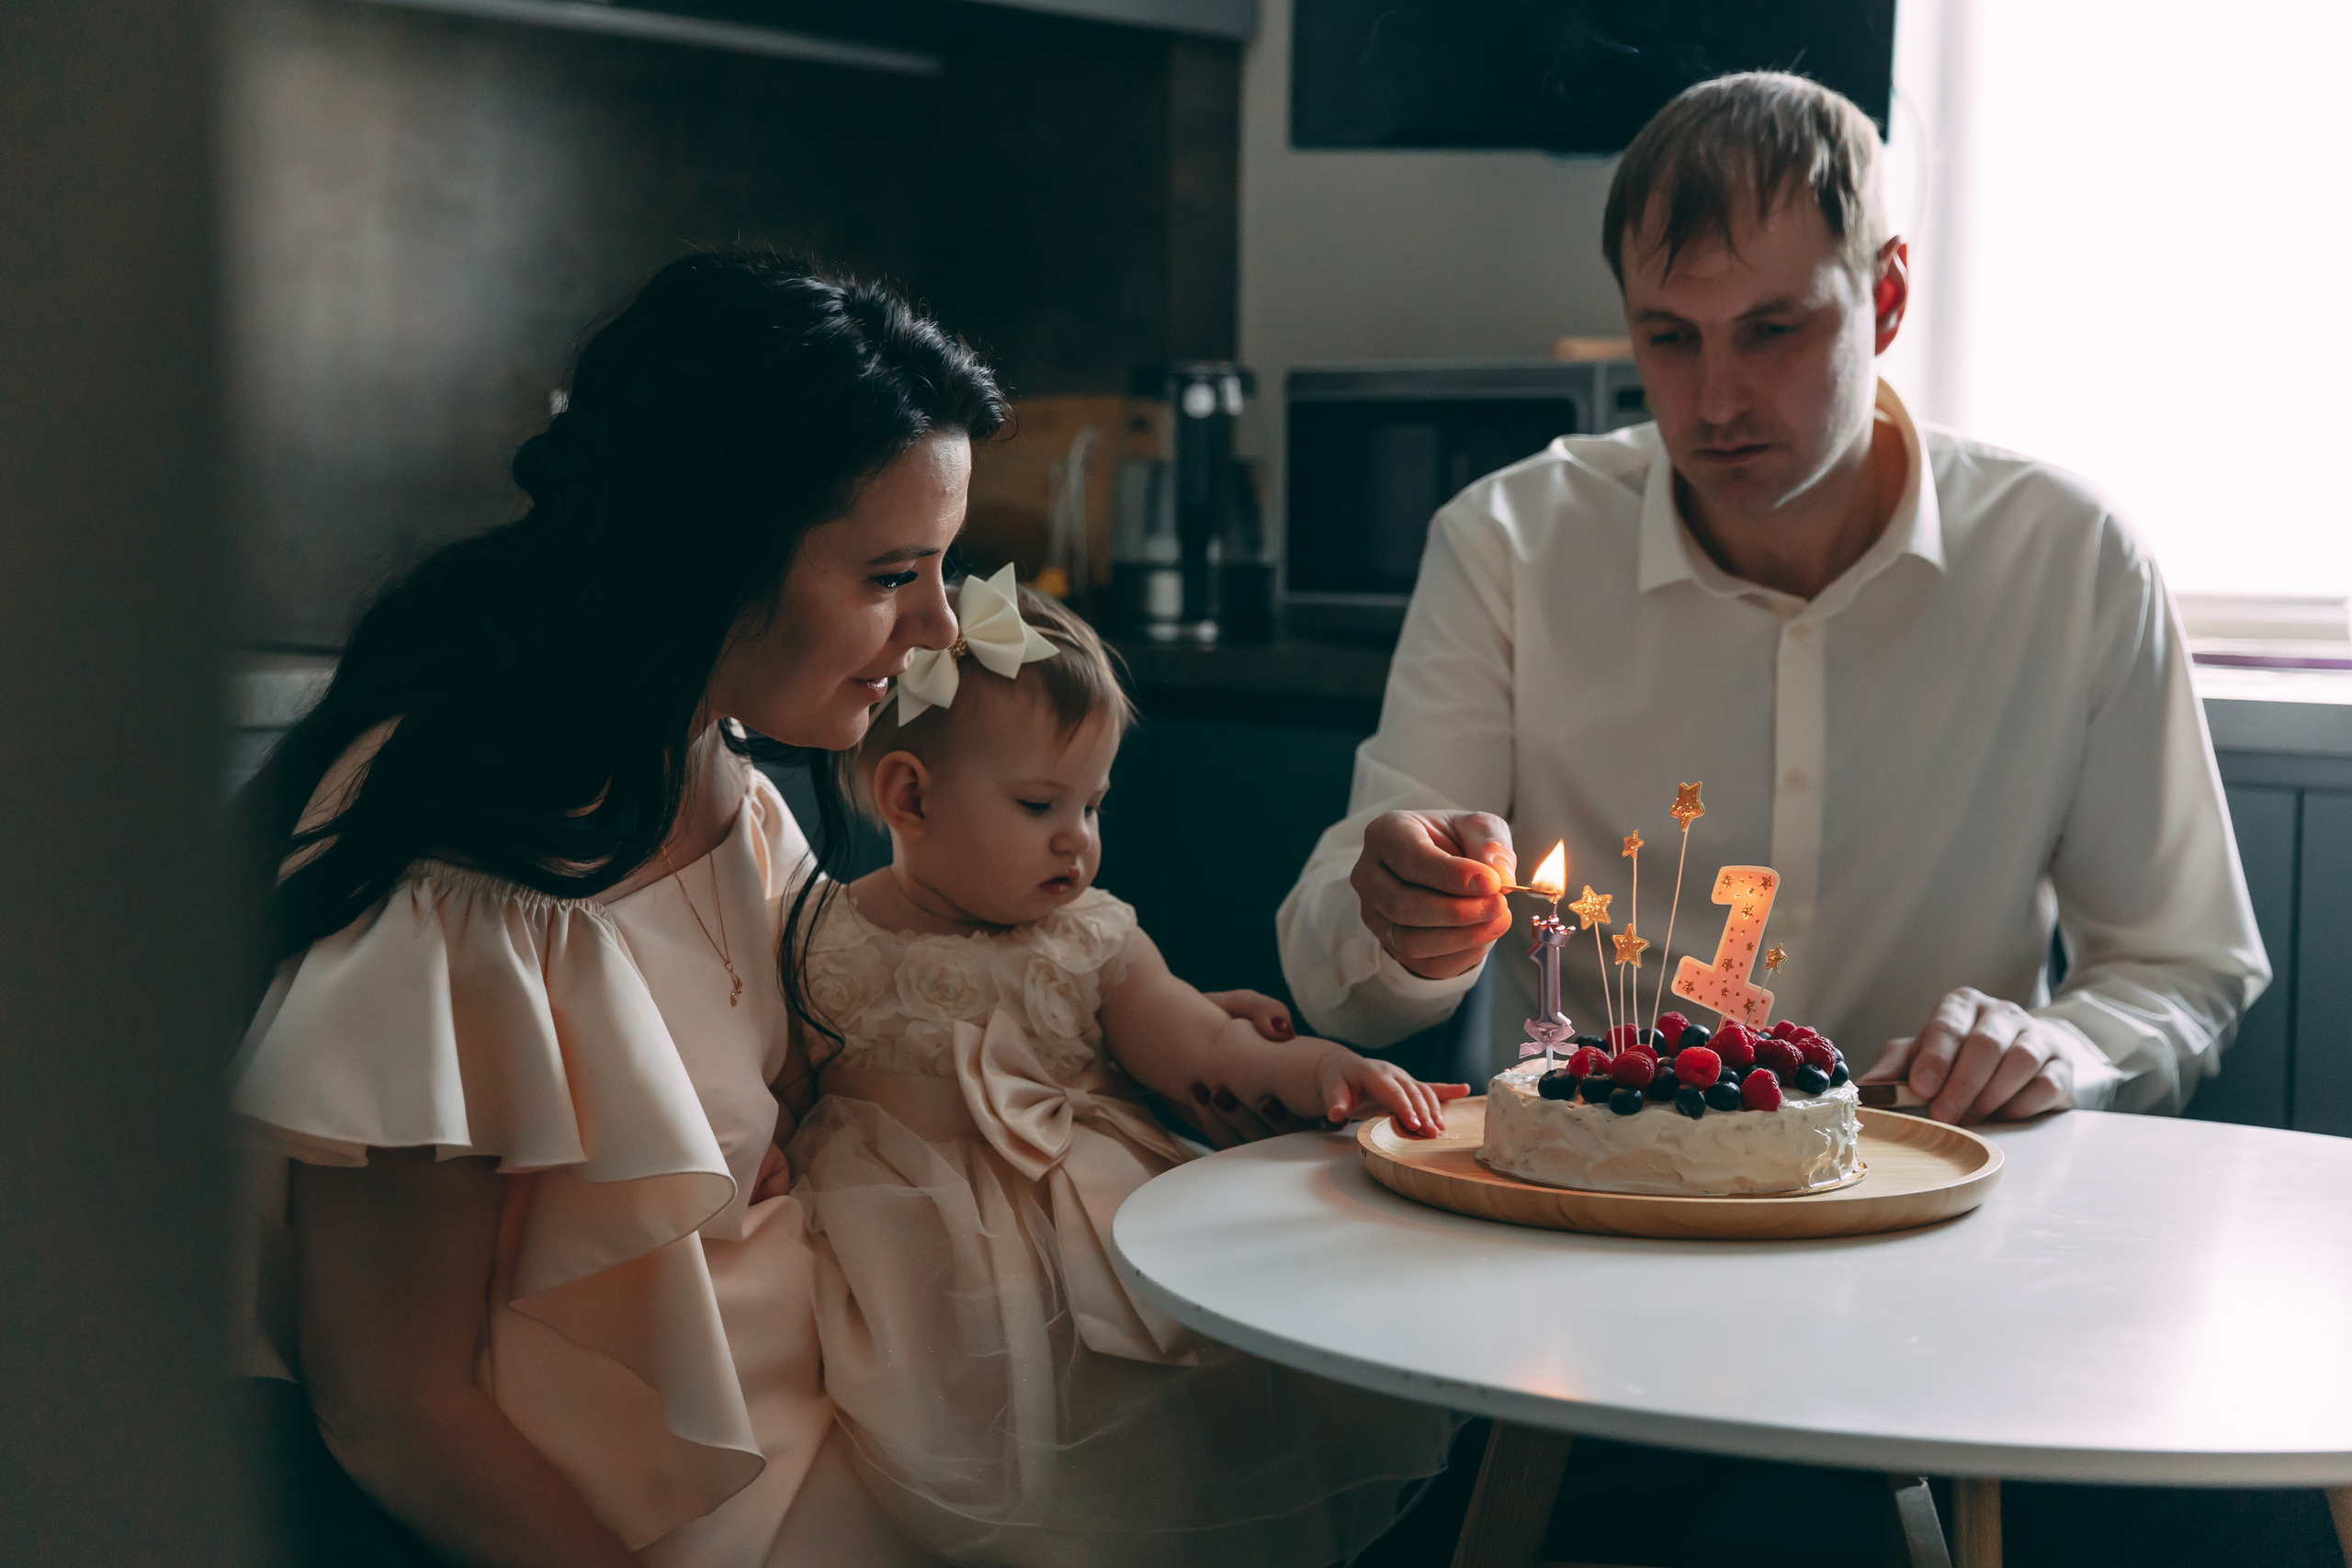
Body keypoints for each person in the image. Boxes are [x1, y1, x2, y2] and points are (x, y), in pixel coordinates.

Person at [229, 253, 1295, 1568]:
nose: (939, 628)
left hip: (848, 1415)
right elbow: (397, 1407)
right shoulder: (460, 877)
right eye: (892, 572)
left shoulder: (732, 781)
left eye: (943, 567)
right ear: (712, 557)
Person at [1276, 72, 2269, 1123]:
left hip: (1937, 1196)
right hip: (1598, 1198)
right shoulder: (1506, 545)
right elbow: (1333, 972)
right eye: (1669, 338)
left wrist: (2063, 1046)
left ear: (1884, 300)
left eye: (1771, 332)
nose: (1714, 402)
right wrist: (1399, 924)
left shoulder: (2073, 560)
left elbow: (2182, 961)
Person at [784, 570, 1465, 1566]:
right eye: (1038, 803)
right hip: (894, 1259)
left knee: (1146, 1461)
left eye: (1094, 804)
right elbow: (772, 1078)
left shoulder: (1090, 938)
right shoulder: (819, 938)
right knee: (913, 1465)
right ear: (908, 796)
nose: (1080, 840)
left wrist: (1323, 1067)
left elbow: (1205, 1043)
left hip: (1094, 1244)